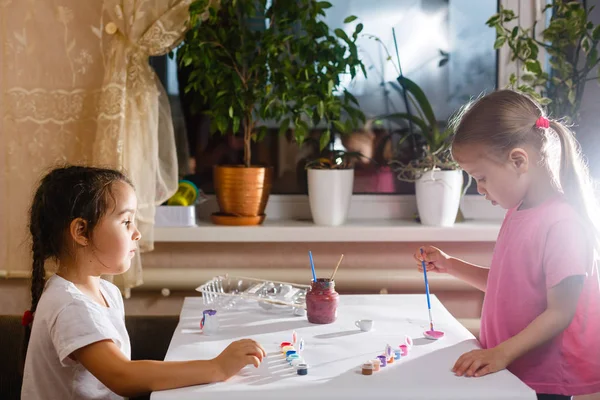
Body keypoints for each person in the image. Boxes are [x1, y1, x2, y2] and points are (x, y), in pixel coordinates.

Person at [415, 90, 600, 400]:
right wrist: (449, 264)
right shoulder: (518, 211)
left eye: (482, 177)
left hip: (545, 376)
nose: (479, 189)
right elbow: (508, 288)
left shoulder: (563, 224)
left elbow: (560, 313)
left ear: (518, 160)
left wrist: (501, 353)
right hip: (514, 368)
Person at [21, 166, 266, 400]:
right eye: (126, 221)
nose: (137, 233)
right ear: (82, 231)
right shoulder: (69, 306)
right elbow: (121, 375)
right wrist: (217, 368)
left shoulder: (107, 291)